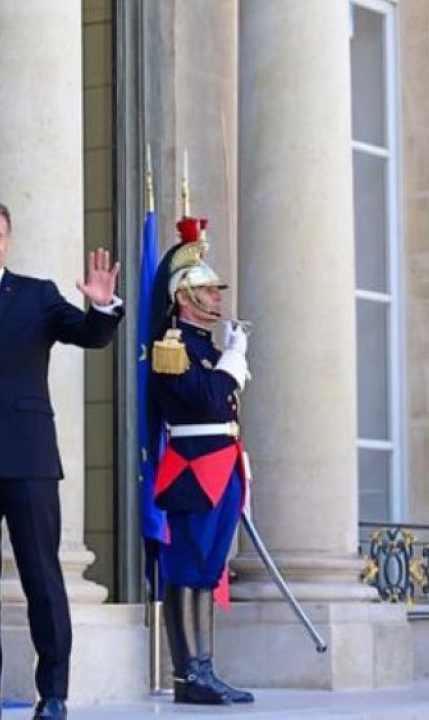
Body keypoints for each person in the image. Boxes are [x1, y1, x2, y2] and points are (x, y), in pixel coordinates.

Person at [0, 196, 121, 720]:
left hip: (28, 458)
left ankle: (53, 693)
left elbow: (88, 335)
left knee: (41, 575)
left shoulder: (36, 295)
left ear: (6, 242)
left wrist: (101, 307)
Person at [145, 217, 253, 705]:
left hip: (222, 463)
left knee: (209, 568)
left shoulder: (206, 347)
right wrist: (232, 362)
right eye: (208, 292)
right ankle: (187, 674)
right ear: (184, 298)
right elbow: (203, 398)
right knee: (187, 566)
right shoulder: (173, 347)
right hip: (193, 467)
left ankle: (204, 667)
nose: (217, 299)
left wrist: (227, 357)